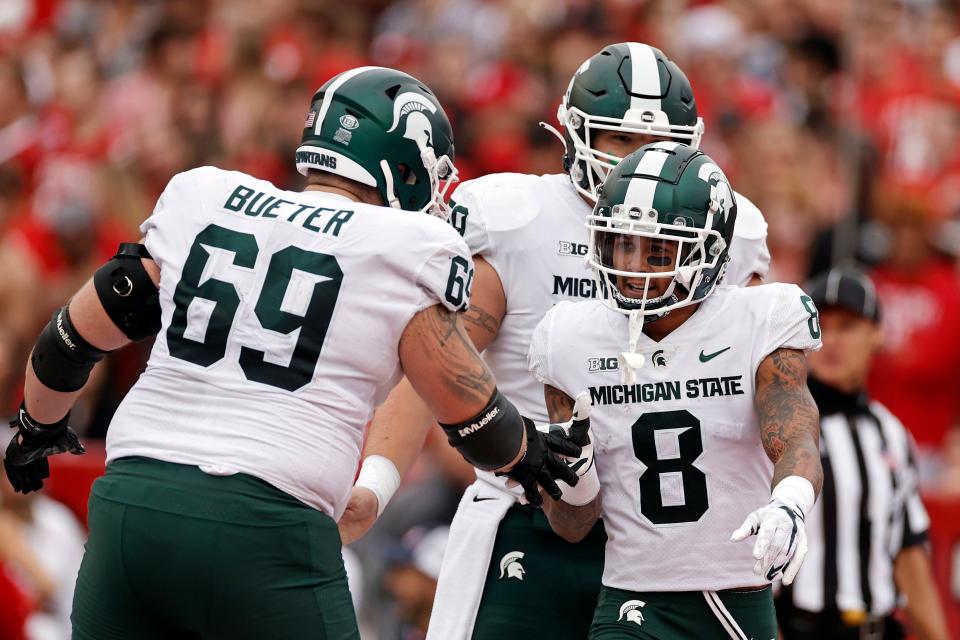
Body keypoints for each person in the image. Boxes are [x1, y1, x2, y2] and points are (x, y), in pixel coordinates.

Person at [1, 66, 580, 640]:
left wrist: (34, 429)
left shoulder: (208, 197)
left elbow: (68, 341)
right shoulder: (403, 245)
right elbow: (469, 411)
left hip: (131, 508)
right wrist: (532, 455)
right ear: (402, 165)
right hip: (266, 525)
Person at [337, 42, 773, 640]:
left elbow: (765, 392)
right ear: (573, 132)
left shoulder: (731, 230)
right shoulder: (519, 220)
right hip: (533, 520)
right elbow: (436, 368)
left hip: (673, 540)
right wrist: (376, 484)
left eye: (661, 146)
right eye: (620, 139)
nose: (639, 160)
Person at [529, 143, 824, 639]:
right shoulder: (567, 339)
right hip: (630, 599)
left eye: (658, 251)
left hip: (735, 600)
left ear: (707, 253)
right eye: (622, 244)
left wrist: (790, 502)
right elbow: (573, 526)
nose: (634, 266)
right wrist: (573, 478)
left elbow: (796, 436)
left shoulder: (760, 318)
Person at [776, 266, 949, 640]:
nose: (832, 341)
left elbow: (909, 555)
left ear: (877, 334)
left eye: (848, 326)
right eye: (823, 326)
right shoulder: (775, 427)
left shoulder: (891, 433)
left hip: (878, 629)